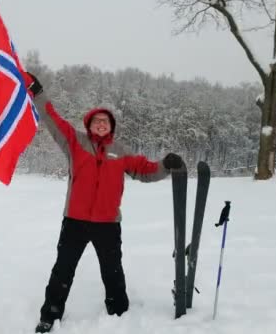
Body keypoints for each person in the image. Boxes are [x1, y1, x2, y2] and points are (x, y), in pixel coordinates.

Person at [23, 73, 184, 333]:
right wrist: (38, 93)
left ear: (111, 127)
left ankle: (119, 313)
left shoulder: (120, 152)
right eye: (97, 121)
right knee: (62, 270)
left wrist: (165, 165)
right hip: (75, 220)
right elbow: (52, 119)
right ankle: (49, 315)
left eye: (105, 121)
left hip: (108, 224)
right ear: (89, 124)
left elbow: (146, 170)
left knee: (112, 272)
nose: (101, 124)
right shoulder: (75, 142)